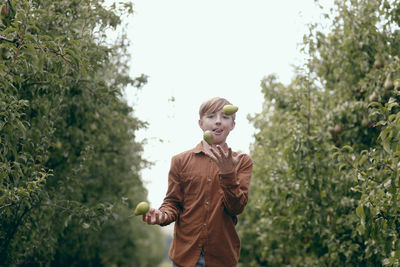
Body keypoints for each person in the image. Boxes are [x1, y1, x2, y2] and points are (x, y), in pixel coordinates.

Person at [143, 97, 253, 267]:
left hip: (221, 258)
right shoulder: (180, 161)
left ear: (233, 125)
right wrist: (162, 216)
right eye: (211, 116)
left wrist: (227, 173)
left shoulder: (241, 161)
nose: (218, 122)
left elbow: (236, 208)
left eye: (225, 117)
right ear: (201, 123)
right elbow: (173, 203)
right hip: (184, 257)